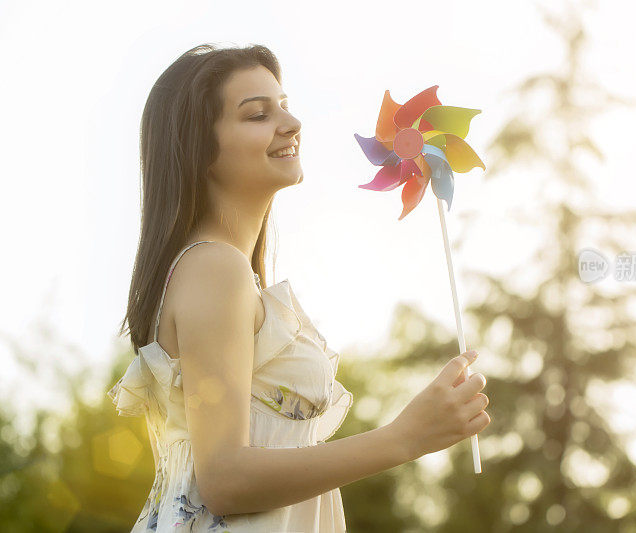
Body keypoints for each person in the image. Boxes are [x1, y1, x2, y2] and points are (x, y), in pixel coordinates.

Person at [108, 43, 490, 532]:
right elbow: (223, 477)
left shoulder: (221, 270)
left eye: (284, 105)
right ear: (197, 148)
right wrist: (405, 438)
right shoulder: (214, 268)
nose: (290, 124)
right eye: (257, 115)